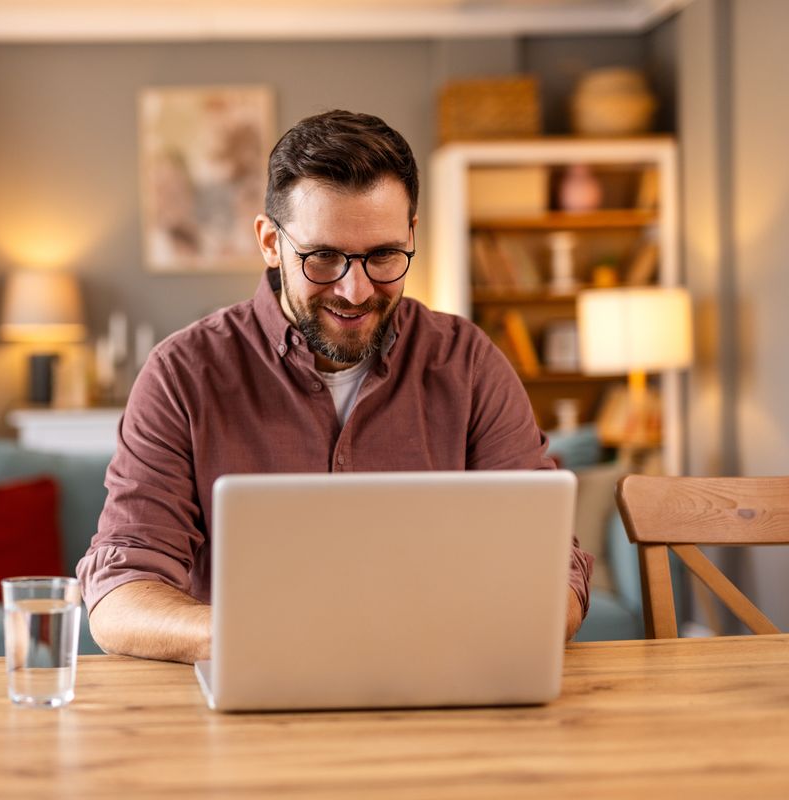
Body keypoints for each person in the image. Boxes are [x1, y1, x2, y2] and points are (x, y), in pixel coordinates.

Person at [77, 110, 593, 664]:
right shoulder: (181, 375)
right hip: (246, 703)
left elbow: (551, 567)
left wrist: (475, 630)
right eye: (323, 257)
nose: (354, 290)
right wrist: (267, 637)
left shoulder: (468, 364)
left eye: (383, 256)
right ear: (270, 243)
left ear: (411, 237)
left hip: (436, 691)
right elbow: (119, 594)